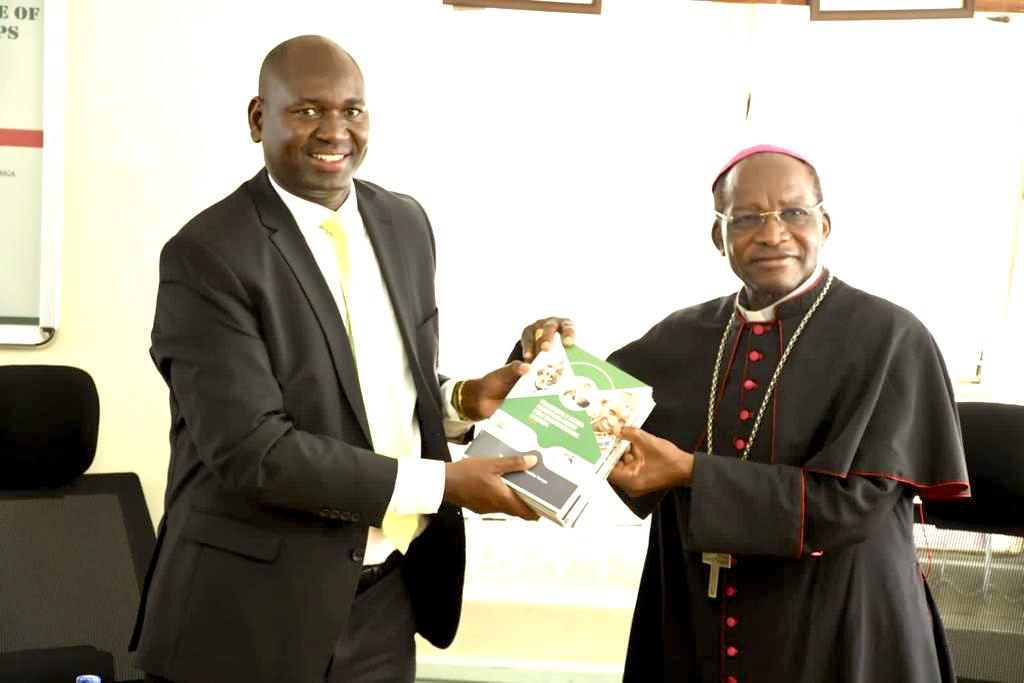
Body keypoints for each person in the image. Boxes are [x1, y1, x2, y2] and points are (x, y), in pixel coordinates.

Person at [129, 35, 544, 683]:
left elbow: (368, 389)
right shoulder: (207, 255)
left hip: (383, 600)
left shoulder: (404, 223)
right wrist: (442, 482)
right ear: (258, 118)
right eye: (308, 111)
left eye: (353, 111)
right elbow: (256, 454)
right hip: (247, 613)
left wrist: (464, 400)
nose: (335, 131)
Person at [528, 145, 970, 682]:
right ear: (719, 237)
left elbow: (854, 506)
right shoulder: (682, 335)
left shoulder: (890, 336)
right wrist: (542, 360)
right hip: (694, 614)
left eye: (793, 212)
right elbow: (582, 430)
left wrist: (693, 473)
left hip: (837, 621)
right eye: (746, 218)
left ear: (824, 224)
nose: (772, 233)